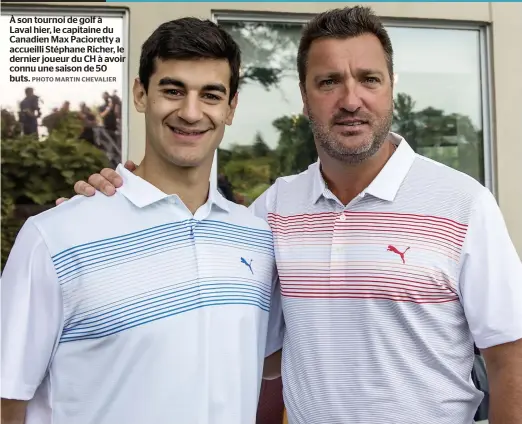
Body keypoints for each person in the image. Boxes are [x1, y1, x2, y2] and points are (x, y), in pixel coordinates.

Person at [62, 6, 522, 424]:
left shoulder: (464, 203)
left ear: (392, 90)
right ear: (304, 97)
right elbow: (233, 323)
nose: (350, 99)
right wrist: (106, 211)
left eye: (369, 79)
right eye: (328, 82)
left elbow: (510, 358)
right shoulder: (274, 210)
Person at [1, 17, 283, 424]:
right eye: (173, 90)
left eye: (210, 95)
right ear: (140, 94)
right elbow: (8, 397)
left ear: (231, 108)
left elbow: (272, 360)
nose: (190, 112)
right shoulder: (55, 236)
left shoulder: (256, 238)